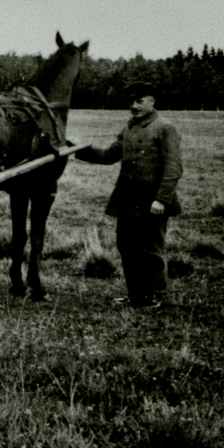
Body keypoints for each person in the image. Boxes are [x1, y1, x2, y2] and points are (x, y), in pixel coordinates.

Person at [75, 81, 183, 308]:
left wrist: (161, 199)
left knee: (152, 248)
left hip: (152, 201)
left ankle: (155, 297)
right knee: (127, 247)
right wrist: (76, 149)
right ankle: (136, 295)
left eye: (139, 101)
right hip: (127, 200)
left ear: (152, 101)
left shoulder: (165, 128)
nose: (134, 106)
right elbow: (108, 155)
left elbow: (173, 168)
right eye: (131, 102)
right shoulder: (129, 128)